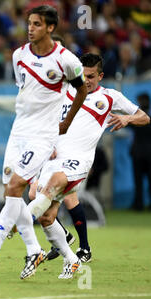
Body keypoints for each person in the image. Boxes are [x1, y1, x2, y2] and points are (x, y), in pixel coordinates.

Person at [0, 5, 88, 280]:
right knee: (11, 194)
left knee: (16, 186)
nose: (30, 28)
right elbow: (25, 92)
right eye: (29, 23)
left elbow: (82, 89)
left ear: (50, 27)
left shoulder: (66, 60)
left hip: (43, 135)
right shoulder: (19, 55)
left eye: (37, 24)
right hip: (19, 131)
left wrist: (66, 123)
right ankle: (44, 252)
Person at [26, 53, 150, 278]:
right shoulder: (66, 92)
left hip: (78, 162)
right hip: (54, 159)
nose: (86, 80)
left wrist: (127, 119)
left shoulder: (111, 97)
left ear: (100, 76)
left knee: (55, 194)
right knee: (41, 204)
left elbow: (144, 117)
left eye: (91, 76)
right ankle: (71, 246)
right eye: (82, 76)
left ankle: (21, 226)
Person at [130, 92, 151, 211]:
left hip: (138, 153)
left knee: (138, 181)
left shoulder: (137, 118)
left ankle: (138, 205)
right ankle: (139, 204)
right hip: (144, 153)